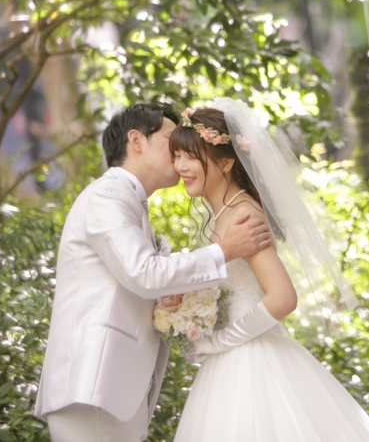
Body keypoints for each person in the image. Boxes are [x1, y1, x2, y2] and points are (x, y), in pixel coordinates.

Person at [33, 103, 272, 441]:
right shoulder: (106, 196)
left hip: (111, 388)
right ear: (136, 140)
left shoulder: (130, 202)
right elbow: (145, 273)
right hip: (92, 384)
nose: (178, 155)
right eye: (171, 141)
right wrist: (226, 250)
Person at [170, 98, 369, 442]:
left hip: (251, 360)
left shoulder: (242, 214)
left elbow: (283, 298)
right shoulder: (227, 211)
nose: (180, 166)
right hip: (234, 358)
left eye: (190, 156)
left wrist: (222, 340)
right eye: (176, 155)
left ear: (226, 162)